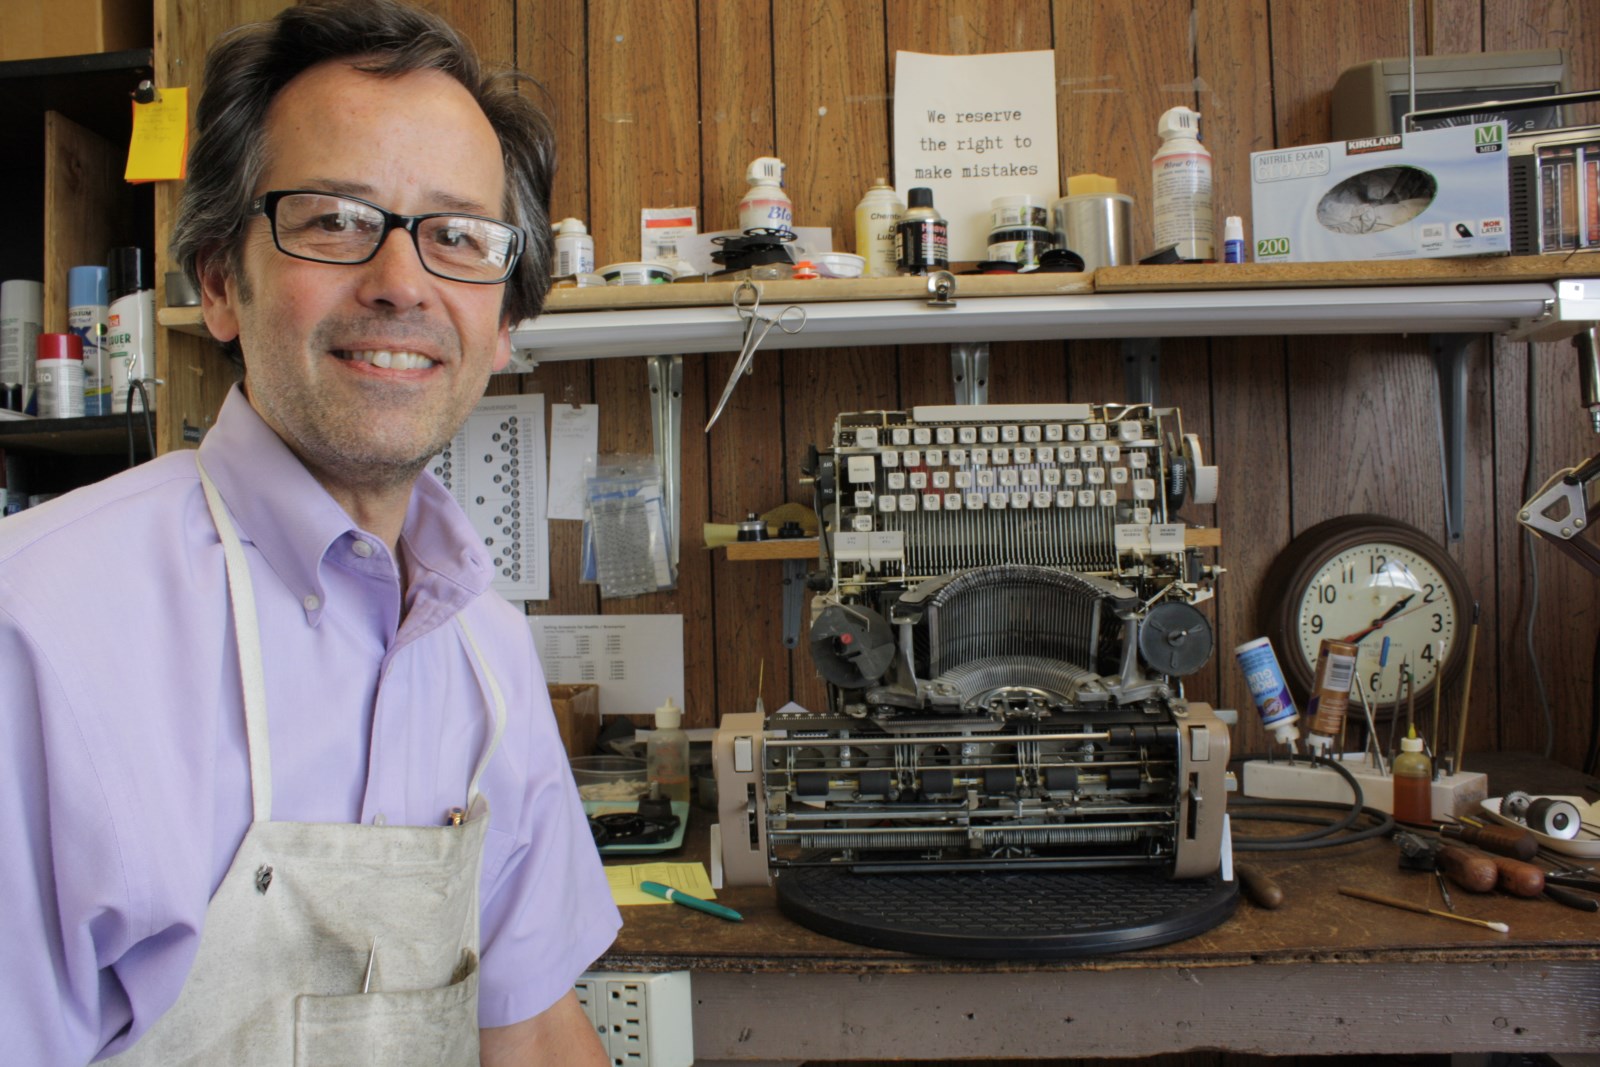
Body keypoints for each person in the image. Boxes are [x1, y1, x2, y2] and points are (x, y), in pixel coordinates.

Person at [0, 1, 620, 1062]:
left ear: (504, 324)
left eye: (458, 237)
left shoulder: (489, 653)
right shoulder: (37, 632)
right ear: (218, 282)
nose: (401, 282)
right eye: (332, 218)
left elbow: (532, 1031)